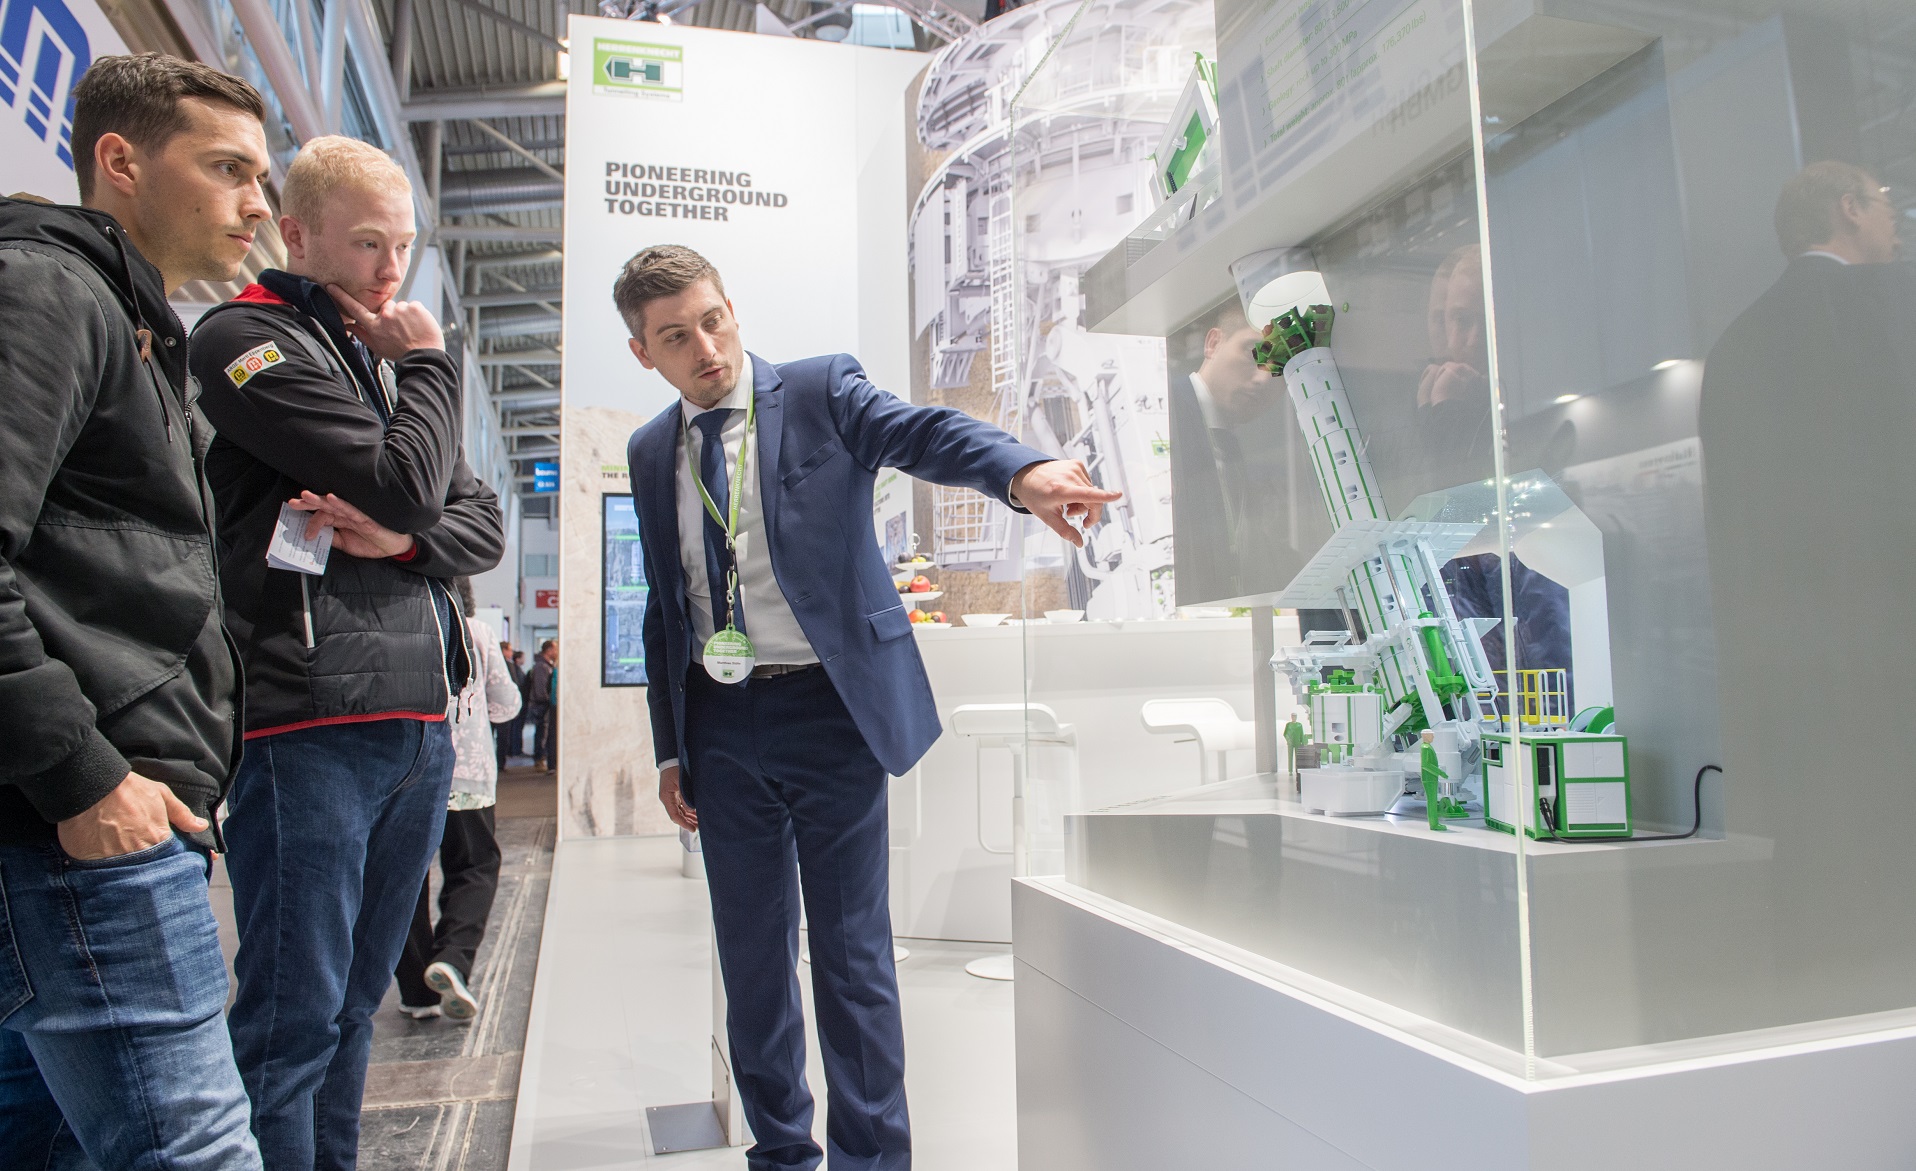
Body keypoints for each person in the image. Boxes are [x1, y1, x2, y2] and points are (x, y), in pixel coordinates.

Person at [620, 244, 1116, 1171]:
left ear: (733, 309)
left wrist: (1021, 473)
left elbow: (925, 432)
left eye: (713, 320)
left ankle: (872, 1162)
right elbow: (664, 607)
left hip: (830, 710)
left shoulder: (819, 392)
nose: (706, 348)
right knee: (752, 961)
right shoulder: (653, 450)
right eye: (676, 337)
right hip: (720, 725)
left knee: (851, 959)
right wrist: (670, 747)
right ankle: (780, 1153)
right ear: (644, 352)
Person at [189, 135, 505, 1169]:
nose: (389, 268)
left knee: (353, 1011)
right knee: (291, 1023)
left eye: (403, 245)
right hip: (307, 723)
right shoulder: (246, 340)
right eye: (368, 242)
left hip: (418, 724)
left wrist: (405, 543)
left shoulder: (376, 363)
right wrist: (429, 367)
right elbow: (410, 484)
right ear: (298, 231)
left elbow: (479, 523)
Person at [0, 53, 271, 1171]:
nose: (256, 203)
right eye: (228, 170)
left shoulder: (133, 323)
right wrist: (83, 777)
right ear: (121, 161)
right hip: (83, 828)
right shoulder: (47, 290)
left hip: (92, 818)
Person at [397, 579, 520, 1022]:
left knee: (405, 879)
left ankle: (417, 993)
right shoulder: (477, 632)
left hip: (405, 771)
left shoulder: (400, 624)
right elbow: (506, 705)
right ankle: (452, 956)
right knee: (475, 867)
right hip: (466, 771)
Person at [526, 639, 556, 771]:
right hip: (541, 706)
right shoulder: (541, 666)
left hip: (544, 704)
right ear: (549, 650)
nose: (557, 652)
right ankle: (539, 760)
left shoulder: (547, 665)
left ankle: (541, 759)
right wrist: (548, 699)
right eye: (555, 649)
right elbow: (540, 689)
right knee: (541, 733)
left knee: (543, 732)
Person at [496, 641, 527, 770]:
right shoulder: (508, 665)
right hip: (504, 705)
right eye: (509, 650)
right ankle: (500, 763)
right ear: (503, 650)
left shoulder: (495, 663)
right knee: (503, 736)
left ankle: (496, 762)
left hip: (491, 704)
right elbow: (514, 685)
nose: (511, 652)